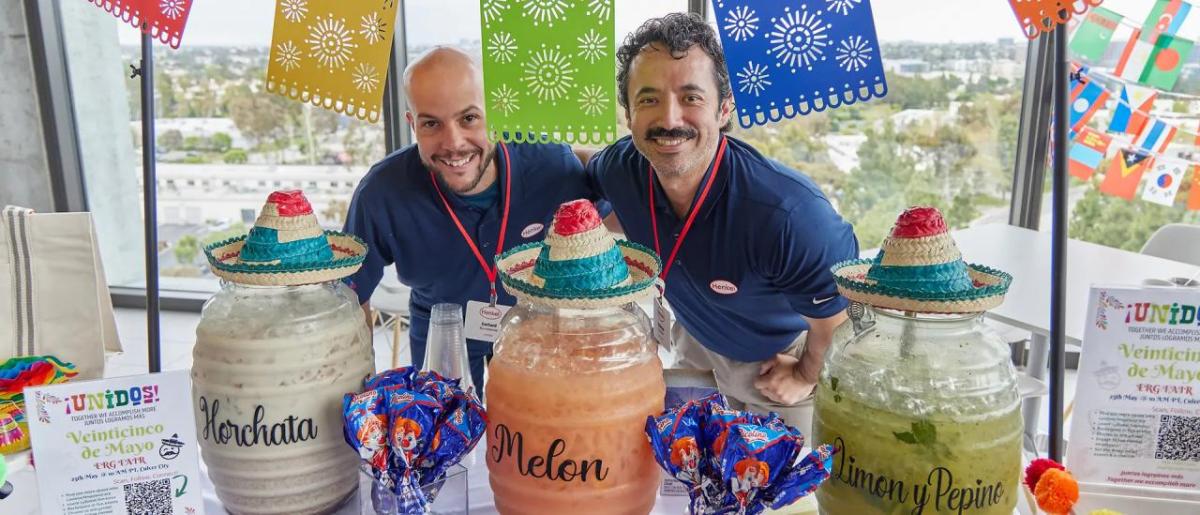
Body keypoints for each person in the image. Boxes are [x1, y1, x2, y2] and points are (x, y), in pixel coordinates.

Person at [586, 14, 859, 436]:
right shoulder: (622, 169)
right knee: (690, 479)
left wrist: (805, 374)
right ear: (628, 114)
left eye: (691, 97)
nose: (669, 118)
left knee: (778, 491)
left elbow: (838, 321)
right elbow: (582, 171)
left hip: (780, 362)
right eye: (648, 99)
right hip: (696, 344)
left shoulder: (788, 215)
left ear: (725, 108)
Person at [344, 47, 601, 395]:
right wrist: (360, 387)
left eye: (468, 118)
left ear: (494, 113)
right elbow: (349, 297)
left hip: (531, 327)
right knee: (440, 435)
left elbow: (613, 230)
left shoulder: (551, 167)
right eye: (431, 123)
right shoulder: (382, 192)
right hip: (440, 323)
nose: (453, 143)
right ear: (412, 125)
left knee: (529, 435)